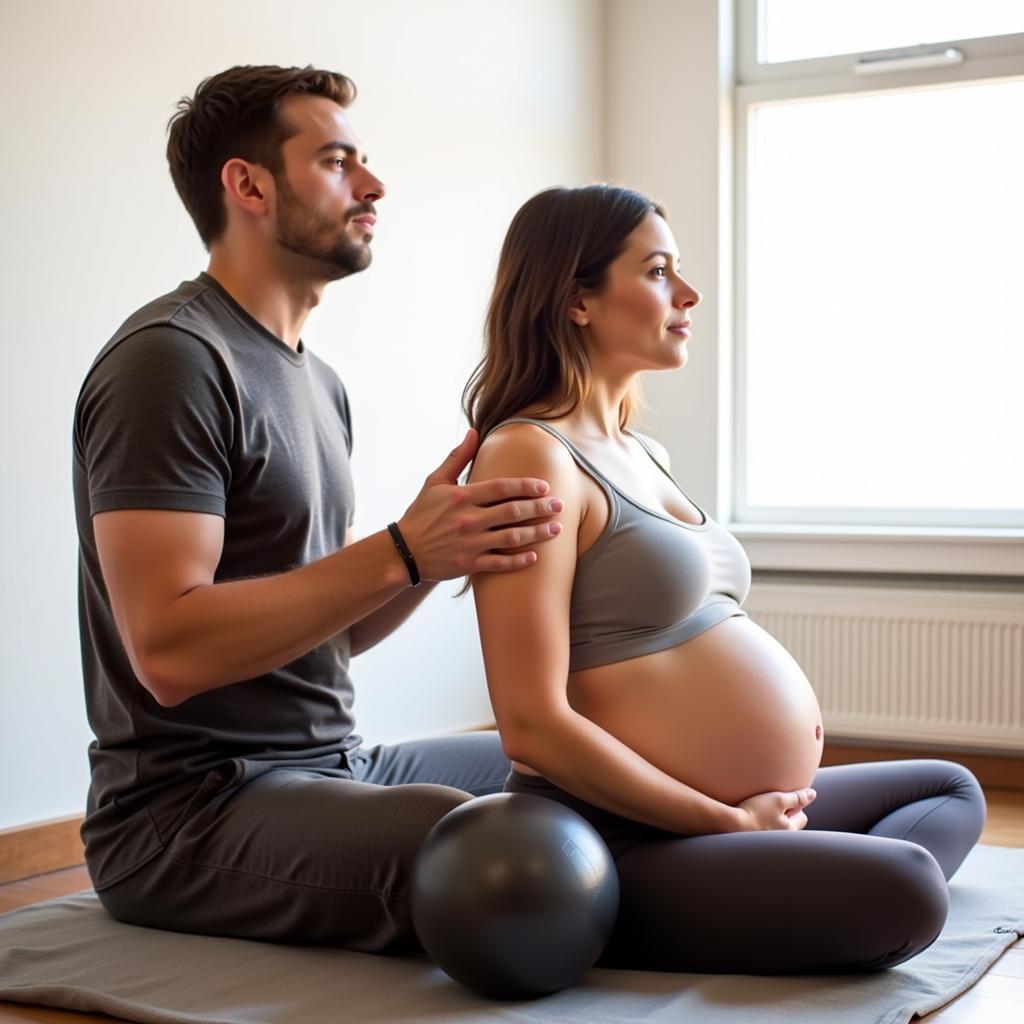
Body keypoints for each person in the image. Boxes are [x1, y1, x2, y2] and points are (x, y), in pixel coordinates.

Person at [71, 65, 565, 951]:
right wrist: (403, 553)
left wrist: (438, 551)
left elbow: (318, 633)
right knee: (523, 850)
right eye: (338, 162)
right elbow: (169, 651)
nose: (373, 186)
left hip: (339, 763)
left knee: (582, 770)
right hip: (190, 813)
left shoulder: (318, 381)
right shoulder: (172, 362)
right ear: (248, 184)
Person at [463, 184, 987, 973]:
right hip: (613, 831)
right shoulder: (529, 454)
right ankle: (678, 899)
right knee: (907, 888)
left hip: (729, 815)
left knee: (951, 790)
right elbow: (531, 722)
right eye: (658, 271)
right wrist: (725, 824)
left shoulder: (645, 453)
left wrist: (750, 817)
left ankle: (756, 889)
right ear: (578, 301)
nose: (688, 294)